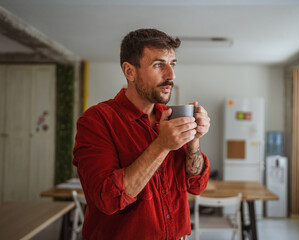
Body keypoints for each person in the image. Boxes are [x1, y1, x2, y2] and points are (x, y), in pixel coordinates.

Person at [73, 28, 211, 240]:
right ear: (130, 72)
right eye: (158, 65)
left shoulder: (170, 118)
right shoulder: (96, 120)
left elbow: (196, 185)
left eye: (172, 64)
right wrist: (162, 145)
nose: (171, 75)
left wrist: (193, 142)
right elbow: (107, 200)